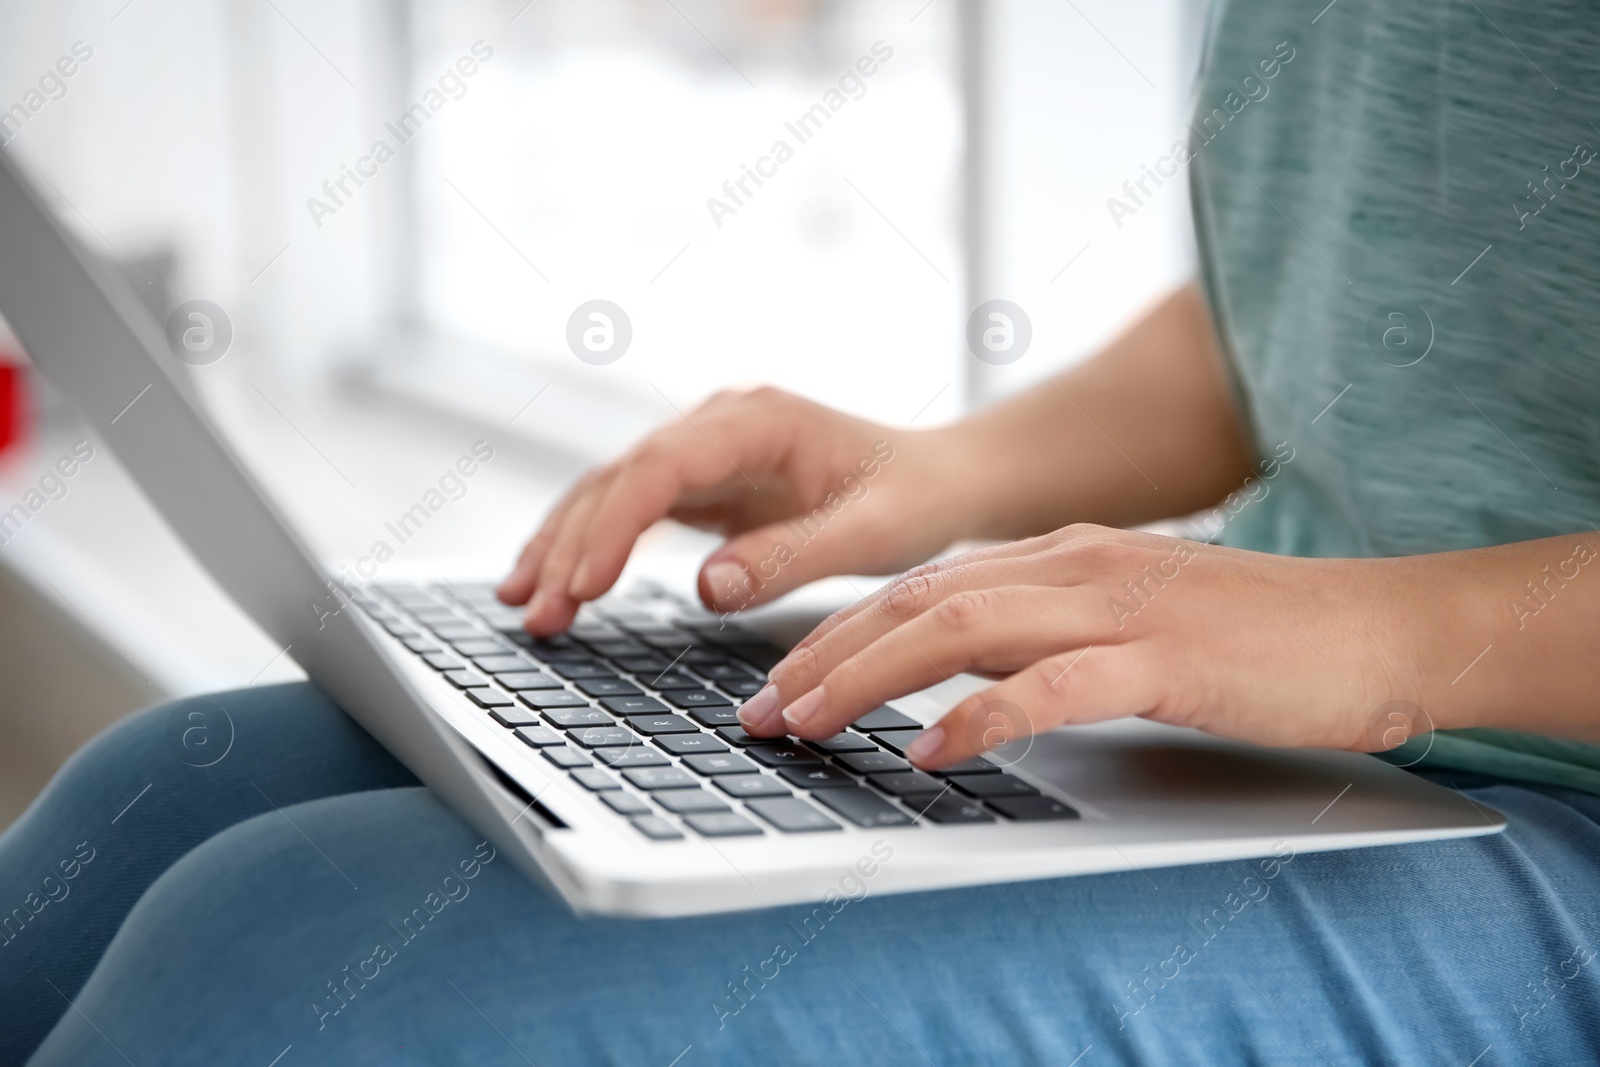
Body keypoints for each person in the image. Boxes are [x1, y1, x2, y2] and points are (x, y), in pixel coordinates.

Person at [7, 1, 1600, 1062]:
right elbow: (1338, 282)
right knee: (158, 797)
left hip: (1547, 796)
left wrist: (1394, 641)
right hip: (1266, 723)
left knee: (283, 971)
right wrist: (941, 471)